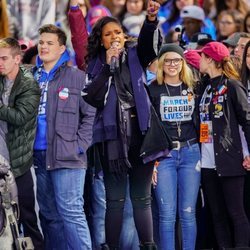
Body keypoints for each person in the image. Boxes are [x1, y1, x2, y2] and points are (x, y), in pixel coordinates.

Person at [82, 0, 164, 249]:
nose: (114, 37)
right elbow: (92, 97)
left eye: (117, 32)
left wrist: (150, 21)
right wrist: (108, 66)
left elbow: (151, 46)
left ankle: (148, 245)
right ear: (101, 40)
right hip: (112, 141)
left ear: (124, 35)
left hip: (141, 134)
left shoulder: (136, 54)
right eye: (108, 34)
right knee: (114, 200)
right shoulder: (96, 64)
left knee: (142, 198)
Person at [32, 24, 95, 250]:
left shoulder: (77, 76)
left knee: (71, 212)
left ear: (61, 48)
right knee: (49, 216)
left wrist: (79, 146)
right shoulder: (31, 76)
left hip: (68, 155)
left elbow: (90, 116)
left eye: (49, 43)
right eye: (41, 42)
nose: (44, 46)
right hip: (38, 156)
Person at [148, 43, 201, 250]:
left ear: (183, 62)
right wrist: (152, 160)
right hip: (164, 156)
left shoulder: (194, 86)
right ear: (161, 63)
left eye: (177, 60)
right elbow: (148, 129)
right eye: (168, 60)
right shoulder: (152, 88)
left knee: (188, 213)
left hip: (191, 153)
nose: (172, 64)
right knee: (167, 215)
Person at [198, 41, 250, 249]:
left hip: (229, 157)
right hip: (207, 160)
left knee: (236, 212)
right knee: (217, 213)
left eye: (202, 56)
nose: (199, 61)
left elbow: (246, 120)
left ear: (210, 59)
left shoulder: (232, 85)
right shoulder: (205, 86)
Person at [0, 37, 44, 249]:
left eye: (4, 58)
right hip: (0, 159)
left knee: (27, 215)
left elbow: (20, 117)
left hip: (18, 162)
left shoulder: (29, 84)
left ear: (17, 59)